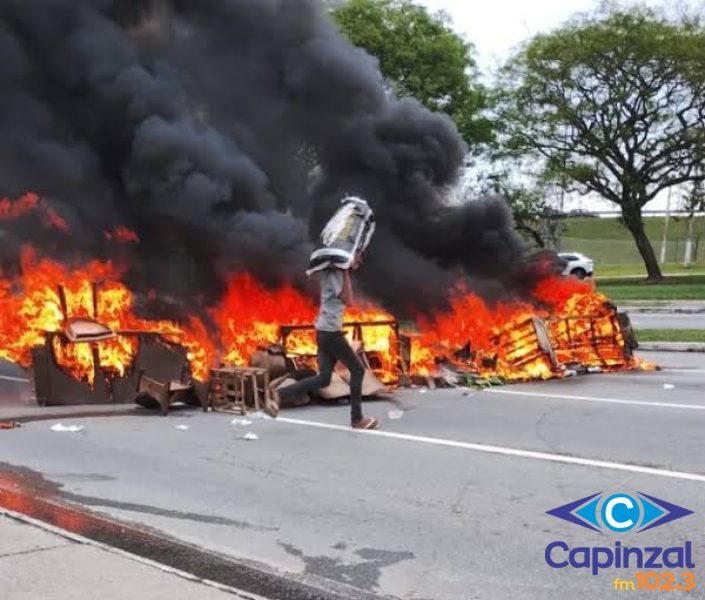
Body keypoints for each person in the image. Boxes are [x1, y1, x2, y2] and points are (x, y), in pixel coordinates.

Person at [266, 256, 379, 429]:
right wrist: (345, 270)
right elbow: (347, 300)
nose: (359, 261)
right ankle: (357, 419)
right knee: (357, 371)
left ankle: (278, 394)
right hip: (331, 333)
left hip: (324, 332)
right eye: (355, 257)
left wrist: (346, 269)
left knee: (323, 379)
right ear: (340, 259)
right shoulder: (335, 274)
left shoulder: (332, 272)